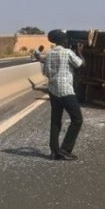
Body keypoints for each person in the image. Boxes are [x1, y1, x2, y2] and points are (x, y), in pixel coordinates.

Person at [43, 30, 85, 161]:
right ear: (64, 41)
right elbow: (81, 64)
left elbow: (45, 72)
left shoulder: (49, 54)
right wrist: (79, 52)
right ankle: (65, 150)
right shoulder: (67, 53)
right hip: (66, 91)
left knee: (55, 121)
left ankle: (54, 152)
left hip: (53, 91)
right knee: (77, 120)